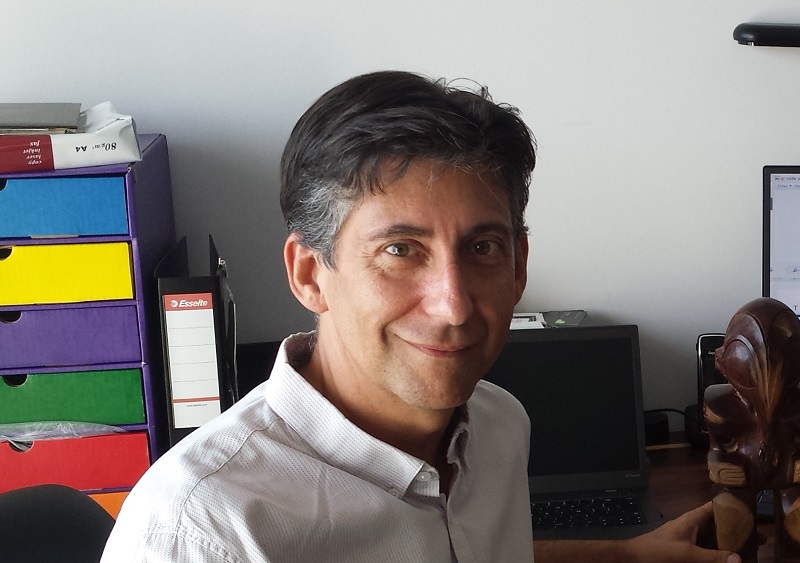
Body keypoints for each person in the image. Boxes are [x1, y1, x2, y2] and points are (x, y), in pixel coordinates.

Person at [101, 70, 740, 563]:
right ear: (309, 274)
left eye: (483, 249)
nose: (454, 305)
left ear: (519, 265)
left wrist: (625, 555)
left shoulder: (498, 424)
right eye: (400, 251)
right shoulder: (204, 529)